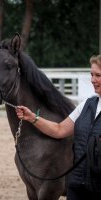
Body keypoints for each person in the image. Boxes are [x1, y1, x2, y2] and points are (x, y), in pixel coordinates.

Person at [16, 55, 101, 200]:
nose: (93, 80)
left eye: (98, 75)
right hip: (77, 185)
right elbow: (59, 130)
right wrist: (32, 118)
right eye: (91, 75)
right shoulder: (86, 105)